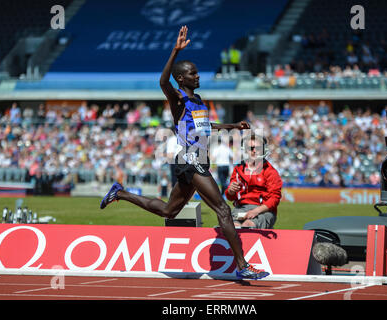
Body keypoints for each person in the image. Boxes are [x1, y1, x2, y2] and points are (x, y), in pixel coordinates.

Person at [100, 26, 268, 280]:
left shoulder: (199, 100)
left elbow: (205, 127)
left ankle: (119, 193)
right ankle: (242, 264)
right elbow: (162, 82)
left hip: (193, 160)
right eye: (193, 73)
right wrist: (175, 51)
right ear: (182, 78)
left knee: (169, 211)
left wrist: (232, 126)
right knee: (222, 210)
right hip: (191, 158)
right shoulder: (177, 100)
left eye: (197, 72)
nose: (198, 76)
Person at [225, 134, 282, 229]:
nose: (254, 151)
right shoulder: (238, 169)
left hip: (263, 210)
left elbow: (274, 198)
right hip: (241, 209)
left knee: (248, 225)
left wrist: (256, 211)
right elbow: (230, 197)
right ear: (246, 150)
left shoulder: (270, 171)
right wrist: (231, 190)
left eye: (258, 148)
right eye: (251, 148)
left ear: (263, 149)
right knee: (231, 226)